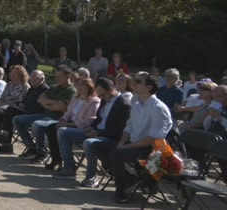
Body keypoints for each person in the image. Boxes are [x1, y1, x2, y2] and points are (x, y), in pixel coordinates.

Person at [110, 72, 173, 204]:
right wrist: (121, 143)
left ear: (149, 88)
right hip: (135, 145)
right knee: (99, 146)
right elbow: (129, 127)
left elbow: (153, 139)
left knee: (117, 154)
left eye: (138, 82)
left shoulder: (158, 108)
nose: (134, 84)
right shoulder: (138, 105)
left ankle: (121, 190)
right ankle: (133, 180)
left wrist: (126, 147)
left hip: (152, 151)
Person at [71, 77, 131, 188]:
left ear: (111, 89)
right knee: (63, 132)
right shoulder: (104, 101)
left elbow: (118, 131)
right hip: (96, 133)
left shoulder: (123, 105)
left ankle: (92, 176)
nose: (101, 97)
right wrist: (91, 127)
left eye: (103, 94)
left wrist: (98, 133)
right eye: (99, 95)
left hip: (110, 137)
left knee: (90, 143)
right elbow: (98, 119)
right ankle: (69, 168)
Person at [16, 65, 77, 163]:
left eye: (60, 76)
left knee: (37, 124)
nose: (57, 79)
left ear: (68, 76)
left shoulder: (71, 91)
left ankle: (42, 153)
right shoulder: (54, 88)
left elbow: (61, 107)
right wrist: (53, 103)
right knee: (17, 119)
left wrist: (47, 103)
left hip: (57, 118)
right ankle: (32, 148)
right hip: (45, 115)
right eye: (56, 76)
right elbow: (40, 99)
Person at [47, 78, 101, 177]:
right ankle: (56, 158)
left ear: (89, 87)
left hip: (82, 128)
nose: (79, 87)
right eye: (79, 85)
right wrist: (62, 120)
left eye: (83, 85)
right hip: (69, 124)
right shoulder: (75, 99)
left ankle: (69, 167)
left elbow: (89, 121)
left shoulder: (94, 101)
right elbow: (68, 113)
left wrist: (68, 125)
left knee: (62, 132)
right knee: (52, 128)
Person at [0, 69, 49, 153]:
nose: (32, 80)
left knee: (13, 116)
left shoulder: (45, 90)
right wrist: (21, 104)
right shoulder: (32, 88)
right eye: (32, 77)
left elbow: (41, 106)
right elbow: (25, 100)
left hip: (36, 113)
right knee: (6, 111)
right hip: (26, 110)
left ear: (42, 79)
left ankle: (6, 140)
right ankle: (4, 139)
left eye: (35, 78)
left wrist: (25, 106)